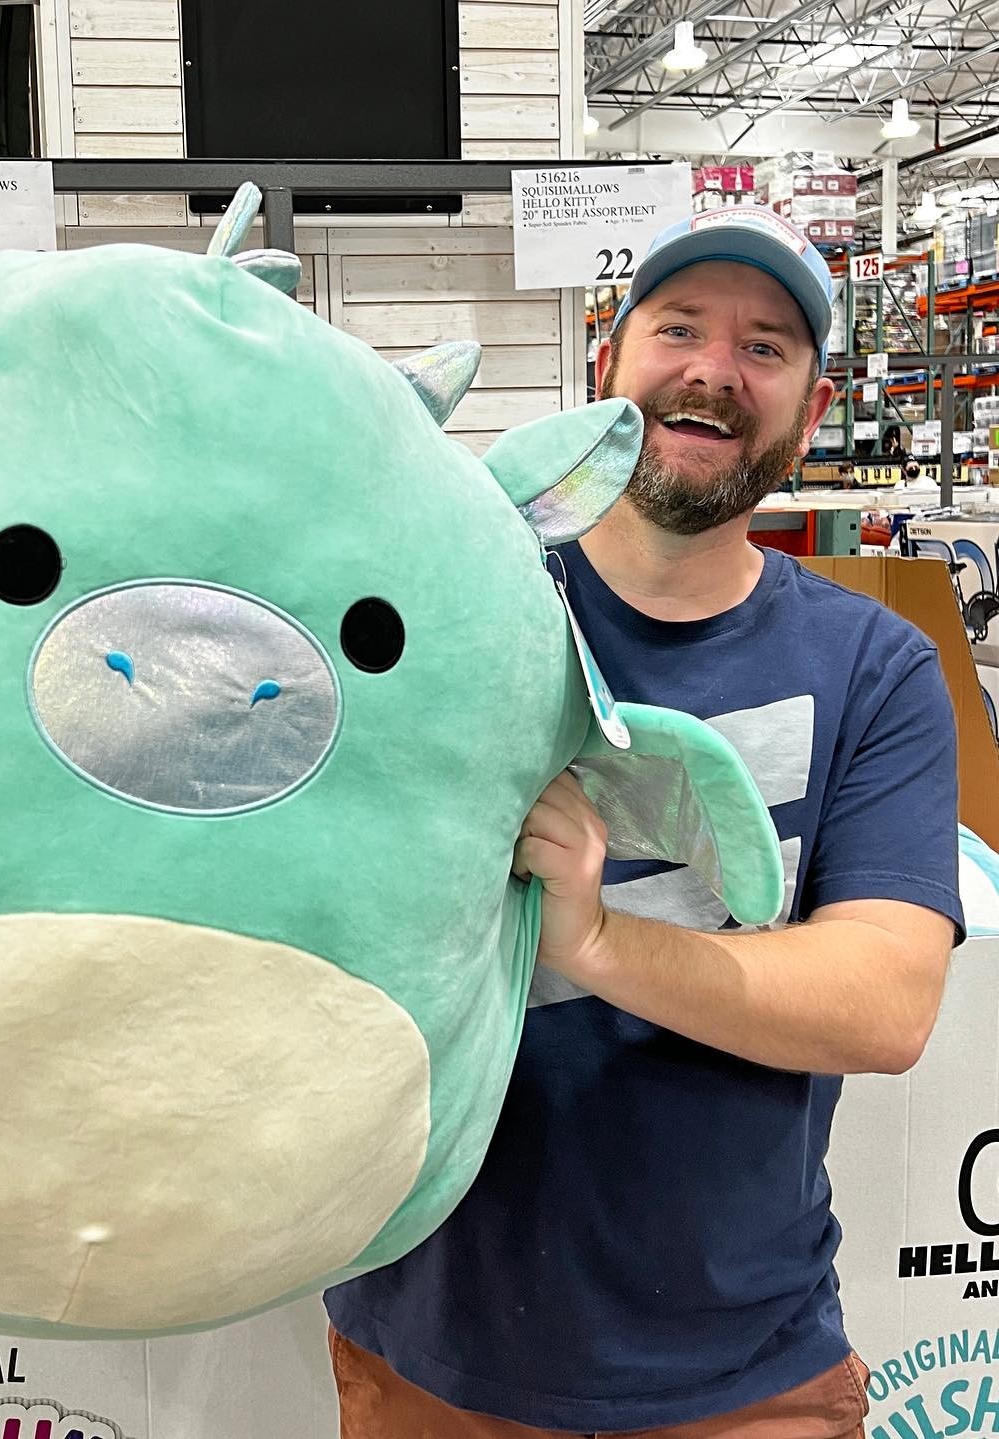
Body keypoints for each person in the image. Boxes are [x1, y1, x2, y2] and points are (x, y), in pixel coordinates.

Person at [324, 208, 963, 1439]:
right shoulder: (445, 611)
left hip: (746, 1374)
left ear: (812, 412)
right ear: (605, 366)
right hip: (428, 1354)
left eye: (764, 346)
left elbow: (886, 1002)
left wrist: (602, 940)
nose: (715, 370)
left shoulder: (874, 668)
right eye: (679, 328)